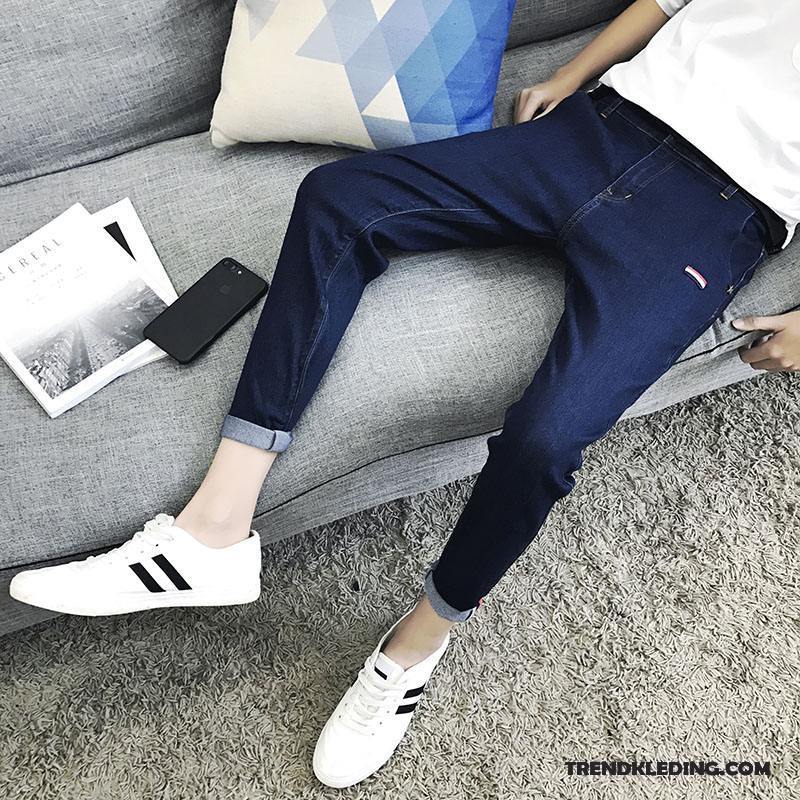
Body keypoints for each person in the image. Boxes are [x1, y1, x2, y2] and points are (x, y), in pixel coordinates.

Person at [10, 0, 800, 788]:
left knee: (547, 438)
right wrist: (571, 72)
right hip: (603, 127)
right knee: (339, 199)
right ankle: (211, 531)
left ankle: (415, 646)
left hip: (720, 215)